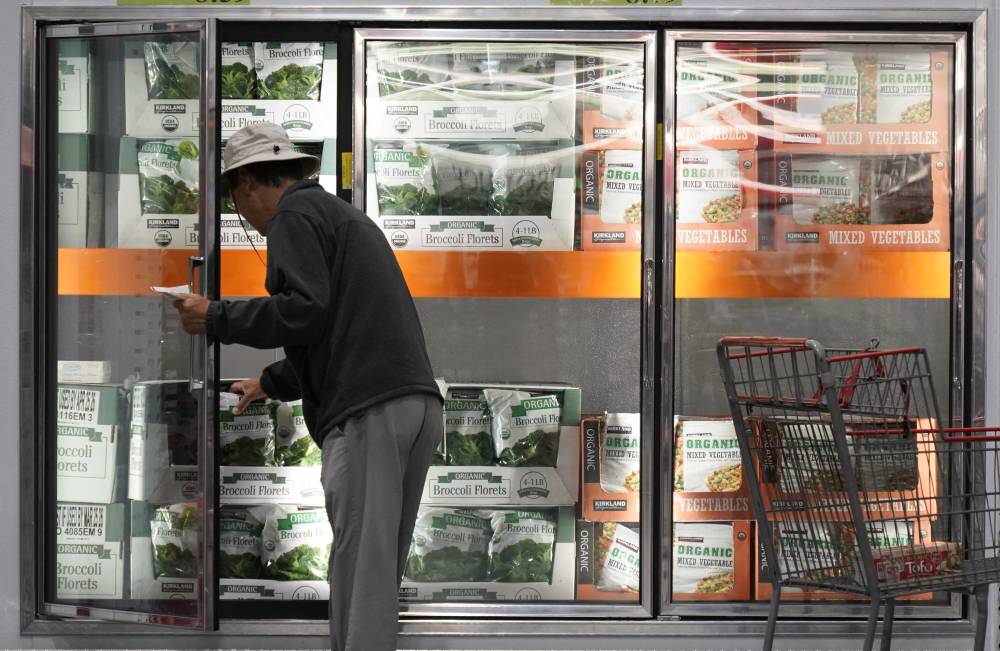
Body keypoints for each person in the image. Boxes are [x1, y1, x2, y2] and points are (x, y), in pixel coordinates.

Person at [173, 122, 443, 651]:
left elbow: (304, 313)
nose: (242, 215)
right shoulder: (337, 215)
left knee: (359, 567)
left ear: (248, 182)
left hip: (369, 410)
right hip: (412, 404)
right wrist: (271, 382)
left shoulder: (294, 215)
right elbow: (335, 328)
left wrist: (216, 317)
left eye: (235, 201)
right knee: (376, 567)